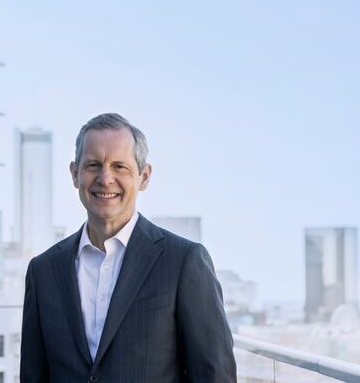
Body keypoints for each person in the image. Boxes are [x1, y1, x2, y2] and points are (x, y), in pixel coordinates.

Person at [20, 113, 236, 382]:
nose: (105, 178)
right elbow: (33, 375)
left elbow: (214, 374)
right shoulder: (43, 270)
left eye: (120, 166)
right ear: (75, 174)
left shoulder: (183, 262)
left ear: (143, 177)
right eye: (93, 165)